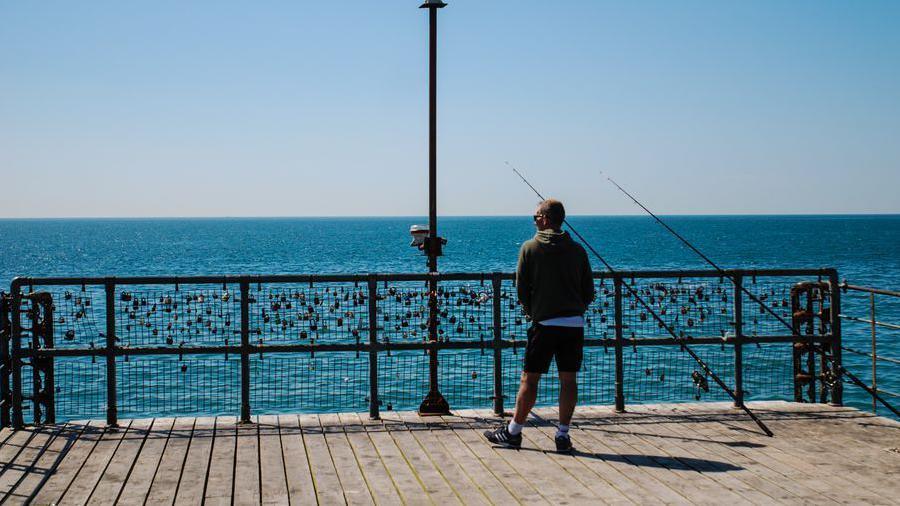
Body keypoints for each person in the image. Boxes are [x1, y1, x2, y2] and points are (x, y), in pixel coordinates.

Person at [484, 198, 594, 452]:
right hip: (573, 325)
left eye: (535, 217)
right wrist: (576, 309)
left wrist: (534, 311)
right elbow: (588, 290)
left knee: (529, 379)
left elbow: (521, 288)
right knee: (569, 380)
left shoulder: (530, 248)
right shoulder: (578, 250)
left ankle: (514, 432)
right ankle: (563, 435)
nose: (534, 221)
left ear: (545, 219)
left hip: (544, 323)